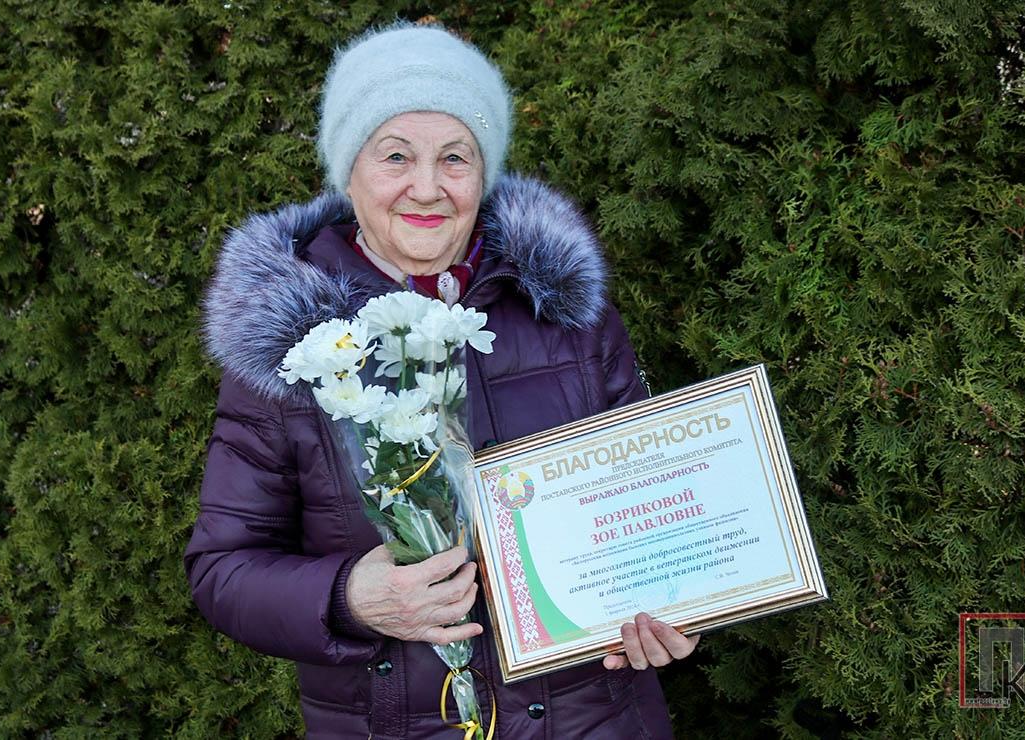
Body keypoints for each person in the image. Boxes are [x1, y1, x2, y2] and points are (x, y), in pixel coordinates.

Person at [185, 22, 699, 739]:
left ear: (483, 172)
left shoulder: (568, 316)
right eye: (395, 155)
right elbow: (223, 569)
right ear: (348, 172)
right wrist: (348, 598)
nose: (426, 188)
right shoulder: (289, 346)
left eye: (455, 157)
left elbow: (652, 515)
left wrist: (676, 602)